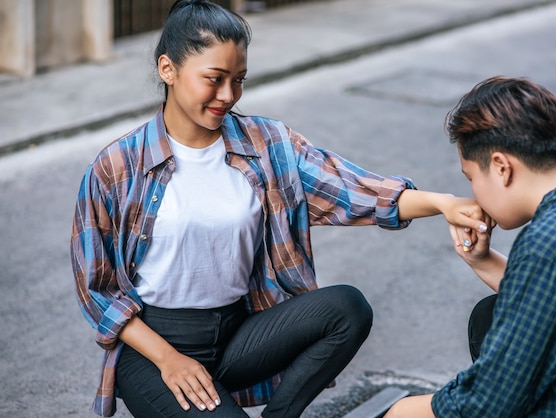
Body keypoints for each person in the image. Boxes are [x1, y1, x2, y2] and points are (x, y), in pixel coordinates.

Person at [70, 1, 486, 417]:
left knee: (346, 308)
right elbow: (98, 291)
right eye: (214, 79)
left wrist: (442, 203)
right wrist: (169, 360)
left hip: (236, 336)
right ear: (168, 69)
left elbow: (352, 190)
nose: (228, 96)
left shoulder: (267, 144)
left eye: (239, 80)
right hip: (153, 351)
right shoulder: (118, 166)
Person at [384, 76, 556, 417]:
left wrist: (400, 411)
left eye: (471, 178)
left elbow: (488, 401)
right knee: (491, 314)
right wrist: (480, 260)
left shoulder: (553, 238)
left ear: (501, 166)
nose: (474, 192)